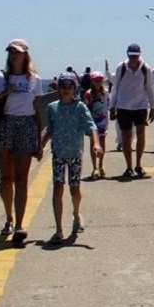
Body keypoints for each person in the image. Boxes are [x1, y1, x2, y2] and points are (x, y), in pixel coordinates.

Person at [0, 38, 46, 245]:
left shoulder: (34, 80)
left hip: (25, 126)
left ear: (25, 54)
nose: (13, 55)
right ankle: (8, 218)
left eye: (17, 52)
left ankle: (19, 224)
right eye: (11, 52)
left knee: (22, 179)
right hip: (5, 125)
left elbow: (37, 111)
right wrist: (2, 94)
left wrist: (39, 141)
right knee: (6, 178)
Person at [41, 72, 99, 244]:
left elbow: (91, 126)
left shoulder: (80, 107)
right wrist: (41, 145)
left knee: (74, 189)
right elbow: (50, 129)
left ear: (74, 89)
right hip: (58, 154)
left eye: (69, 87)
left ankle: (75, 213)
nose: (66, 90)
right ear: (59, 89)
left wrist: (96, 144)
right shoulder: (52, 108)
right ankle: (58, 229)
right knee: (58, 187)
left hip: (75, 155)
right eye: (63, 87)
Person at [109, 43, 154, 178]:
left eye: (136, 56)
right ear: (127, 55)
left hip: (141, 105)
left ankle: (138, 164)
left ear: (140, 55)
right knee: (126, 136)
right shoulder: (121, 67)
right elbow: (115, 87)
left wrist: (153, 107)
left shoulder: (145, 68)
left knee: (141, 133)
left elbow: (150, 88)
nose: (133, 59)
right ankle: (129, 166)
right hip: (124, 106)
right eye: (131, 56)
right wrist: (112, 106)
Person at [83, 72, 110, 179]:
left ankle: (101, 165)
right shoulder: (88, 94)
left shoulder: (106, 92)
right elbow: (86, 108)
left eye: (100, 80)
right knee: (93, 143)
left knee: (102, 142)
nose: (98, 82)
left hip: (103, 120)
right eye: (95, 80)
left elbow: (108, 104)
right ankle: (94, 167)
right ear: (92, 81)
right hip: (93, 120)